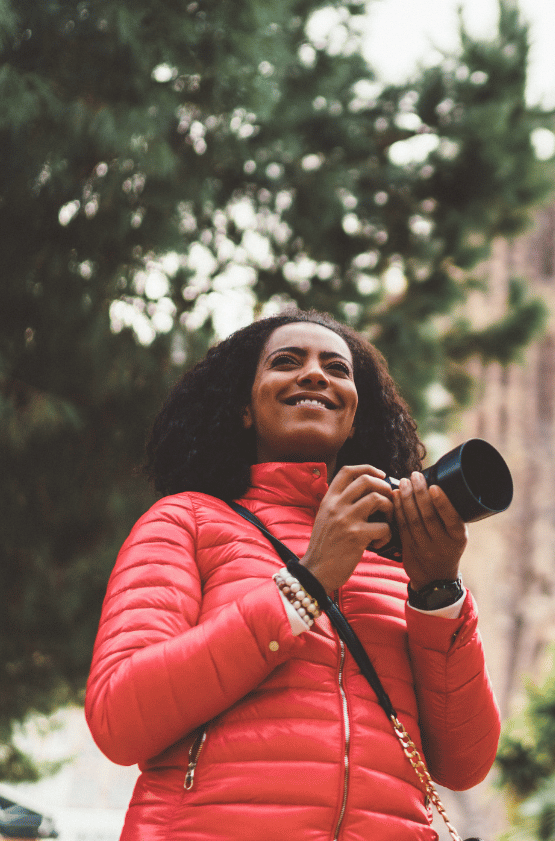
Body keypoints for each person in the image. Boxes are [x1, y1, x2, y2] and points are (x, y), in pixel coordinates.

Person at [86, 309, 500, 841]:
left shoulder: (394, 561)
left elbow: (464, 765)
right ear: (242, 409)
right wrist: (305, 585)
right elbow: (120, 720)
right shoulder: (186, 521)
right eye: (287, 362)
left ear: (354, 416)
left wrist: (438, 592)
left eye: (337, 368)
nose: (314, 375)